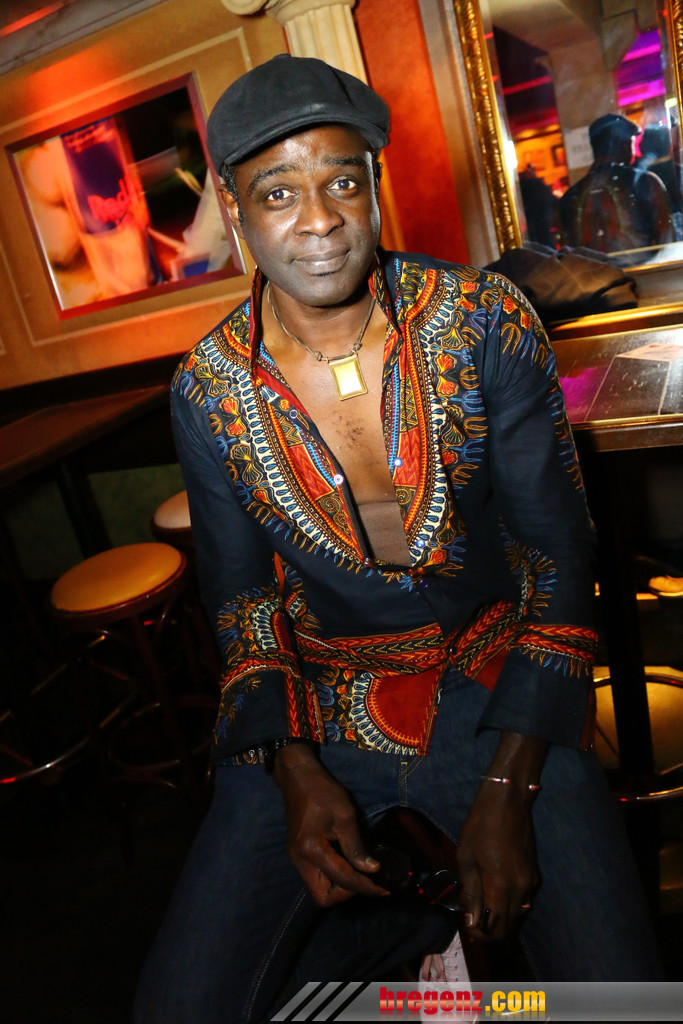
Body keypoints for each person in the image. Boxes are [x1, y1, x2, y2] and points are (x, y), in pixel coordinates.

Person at [134, 56, 663, 1024]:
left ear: (372, 182)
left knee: (619, 999)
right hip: (321, 701)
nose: (320, 220)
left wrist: (506, 782)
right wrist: (293, 768)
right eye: (277, 192)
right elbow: (241, 604)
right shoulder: (206, 388)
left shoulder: (481, 321)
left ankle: (451, 971)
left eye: (341, 182)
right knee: (179, 1005)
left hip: (497, 680)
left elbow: (555, 558)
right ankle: (420, 956)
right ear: (233, 207)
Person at [558, 112, 673, 256]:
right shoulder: (644, 183)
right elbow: (668, 249)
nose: (634, 151)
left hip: (591, 271)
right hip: (645, 270)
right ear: (623, 144)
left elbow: (568, 257)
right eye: (632, 142)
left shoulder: (568, 198)